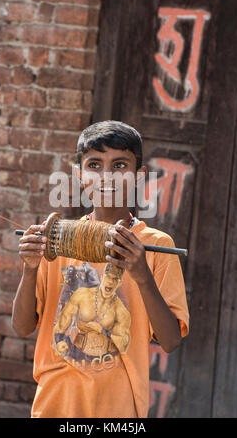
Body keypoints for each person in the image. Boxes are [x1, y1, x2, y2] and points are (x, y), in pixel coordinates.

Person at [12, 120, 189, 418]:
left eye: (120, 165)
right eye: (94, 164)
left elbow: (170, 341)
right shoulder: (57, 241)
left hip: (118, 409)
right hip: (54, 404)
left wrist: (141, 275)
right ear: (80, 176)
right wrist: (29, 270)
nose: (106, 176)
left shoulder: (155, 245)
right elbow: (22, 326)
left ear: (138, 177)